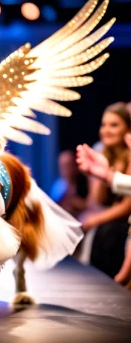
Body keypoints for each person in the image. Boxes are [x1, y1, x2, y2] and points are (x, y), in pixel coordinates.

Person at [80, 103, 131, 278]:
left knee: (105, 230)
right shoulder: (105, 153)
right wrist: (97, 174)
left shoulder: (130, 156)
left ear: (127, 129)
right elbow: (98, 200)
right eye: (104, 125)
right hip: (112, 222)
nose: (106, 130)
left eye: (114, 125)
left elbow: (127, 206)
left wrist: (95, 219)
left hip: (122, 223)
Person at [50, 150, 87, 217]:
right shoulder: (57, 187)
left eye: (68, 165)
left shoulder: (84, 184)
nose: (65, 169)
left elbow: (91, 205)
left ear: (76, 166)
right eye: (62, 166)